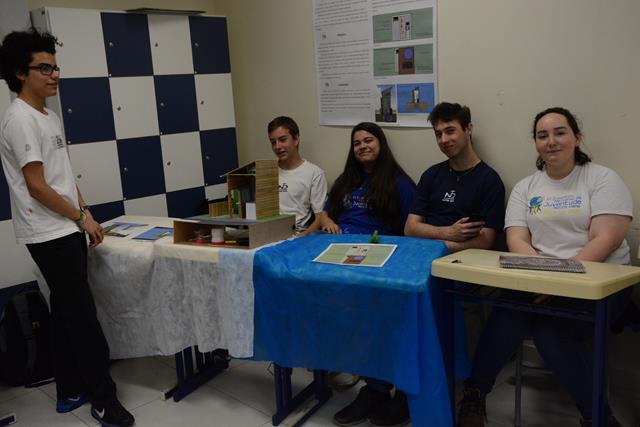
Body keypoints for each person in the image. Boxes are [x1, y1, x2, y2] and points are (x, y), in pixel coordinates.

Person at [457, 107, 632, 427]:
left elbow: (606, 239)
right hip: (537, 279)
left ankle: (598, 418)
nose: (551, 141)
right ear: (536, 143)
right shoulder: (526, 188)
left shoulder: (603, 179)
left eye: (560, 132)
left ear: (577, 138)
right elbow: (517, 239)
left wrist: (557, 282)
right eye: (542, 135)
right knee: (506, 310)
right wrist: (543, 280)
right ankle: (474, 395)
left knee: (550, 332)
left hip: (600, 285)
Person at [0, 28, 134, 427]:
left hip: (65, 225)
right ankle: (104, 400)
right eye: (44, 68)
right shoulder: (20, 120)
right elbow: (37, 186)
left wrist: (85, 212)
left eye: (55, 67)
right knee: (82, 315)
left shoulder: (48, 115)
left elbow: (61, 177)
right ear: (20, 73)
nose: (54, 74)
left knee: (64, 309)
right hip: (48, 232)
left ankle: (69, 389)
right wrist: (78, 218)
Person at [322, 122, 415, 427]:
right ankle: (372, 386)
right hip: (339, 257)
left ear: (381, 143)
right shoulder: (346, 180)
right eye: (357, 143)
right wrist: (327, 221)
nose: (362, 146)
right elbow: (327, 212)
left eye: (368, 140)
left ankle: (383, 388)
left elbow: (410, 232)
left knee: (380, 323)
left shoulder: (400, 184)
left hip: (378, 262)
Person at [404, 102, 505, 359]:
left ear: (468, 129)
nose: (443, 140)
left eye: (450, 131)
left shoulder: (489, 181)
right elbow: (410, 228)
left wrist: (439, 244)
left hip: (465, 264)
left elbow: (486, 241)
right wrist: (447, 233)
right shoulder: (431, 175)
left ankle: (468, 372)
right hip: (425, 258)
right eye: (438, 134)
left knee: (464, 301)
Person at [267, 116, 327, 236]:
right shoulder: (267, 172)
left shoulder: (314, 173)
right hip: (266, 232)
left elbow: (320, 217)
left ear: (296, 139)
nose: (277, 146)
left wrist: (303, 236)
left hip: (296, 234)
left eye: (283, 140)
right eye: (273, 142)